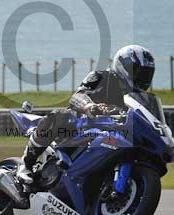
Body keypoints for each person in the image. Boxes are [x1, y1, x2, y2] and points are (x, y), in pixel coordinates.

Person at [16, 44, 156, 184]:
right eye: (139, 72)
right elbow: (78, 96)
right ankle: (26, 164)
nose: (142, 78)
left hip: (113, 136)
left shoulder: (139, 99)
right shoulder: (101, 76)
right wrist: (89, 106)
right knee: (59, 116)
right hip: (83, 125)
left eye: (146, 74)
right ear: (123, 66)